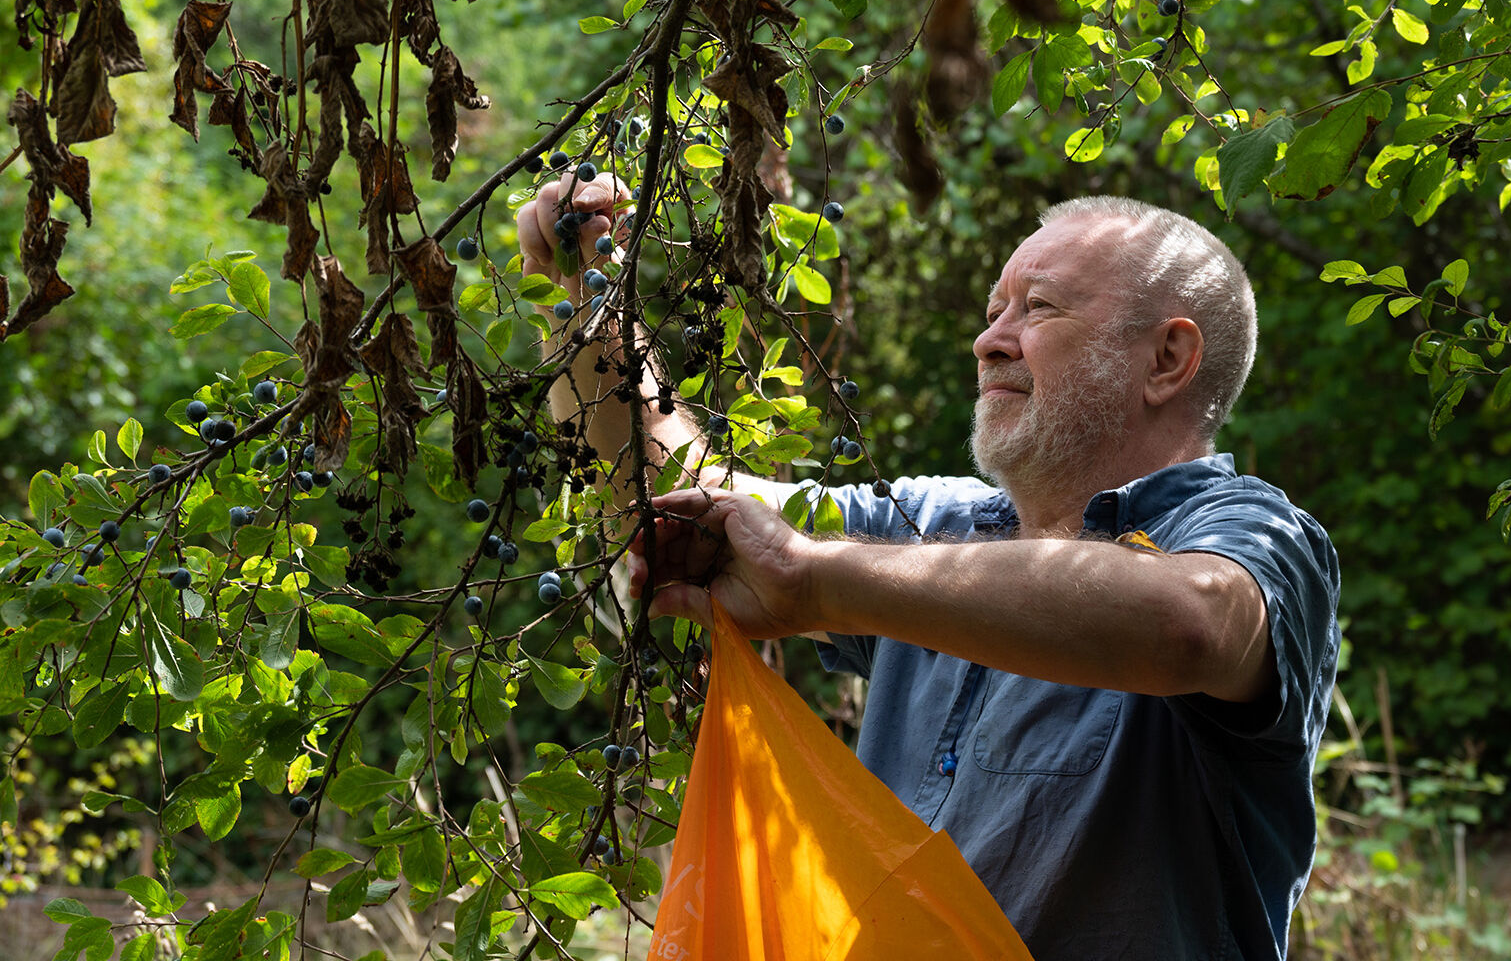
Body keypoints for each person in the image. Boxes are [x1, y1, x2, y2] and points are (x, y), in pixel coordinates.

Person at [517, 182, 1342, 960]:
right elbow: (683, 496)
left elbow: (1189, 623)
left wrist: (820, 581)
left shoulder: (1256, 531)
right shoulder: (930, 522)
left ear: (1167, 359)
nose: (990, 339)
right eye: (993, 313)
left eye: (1040, 307)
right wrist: (587, 289)